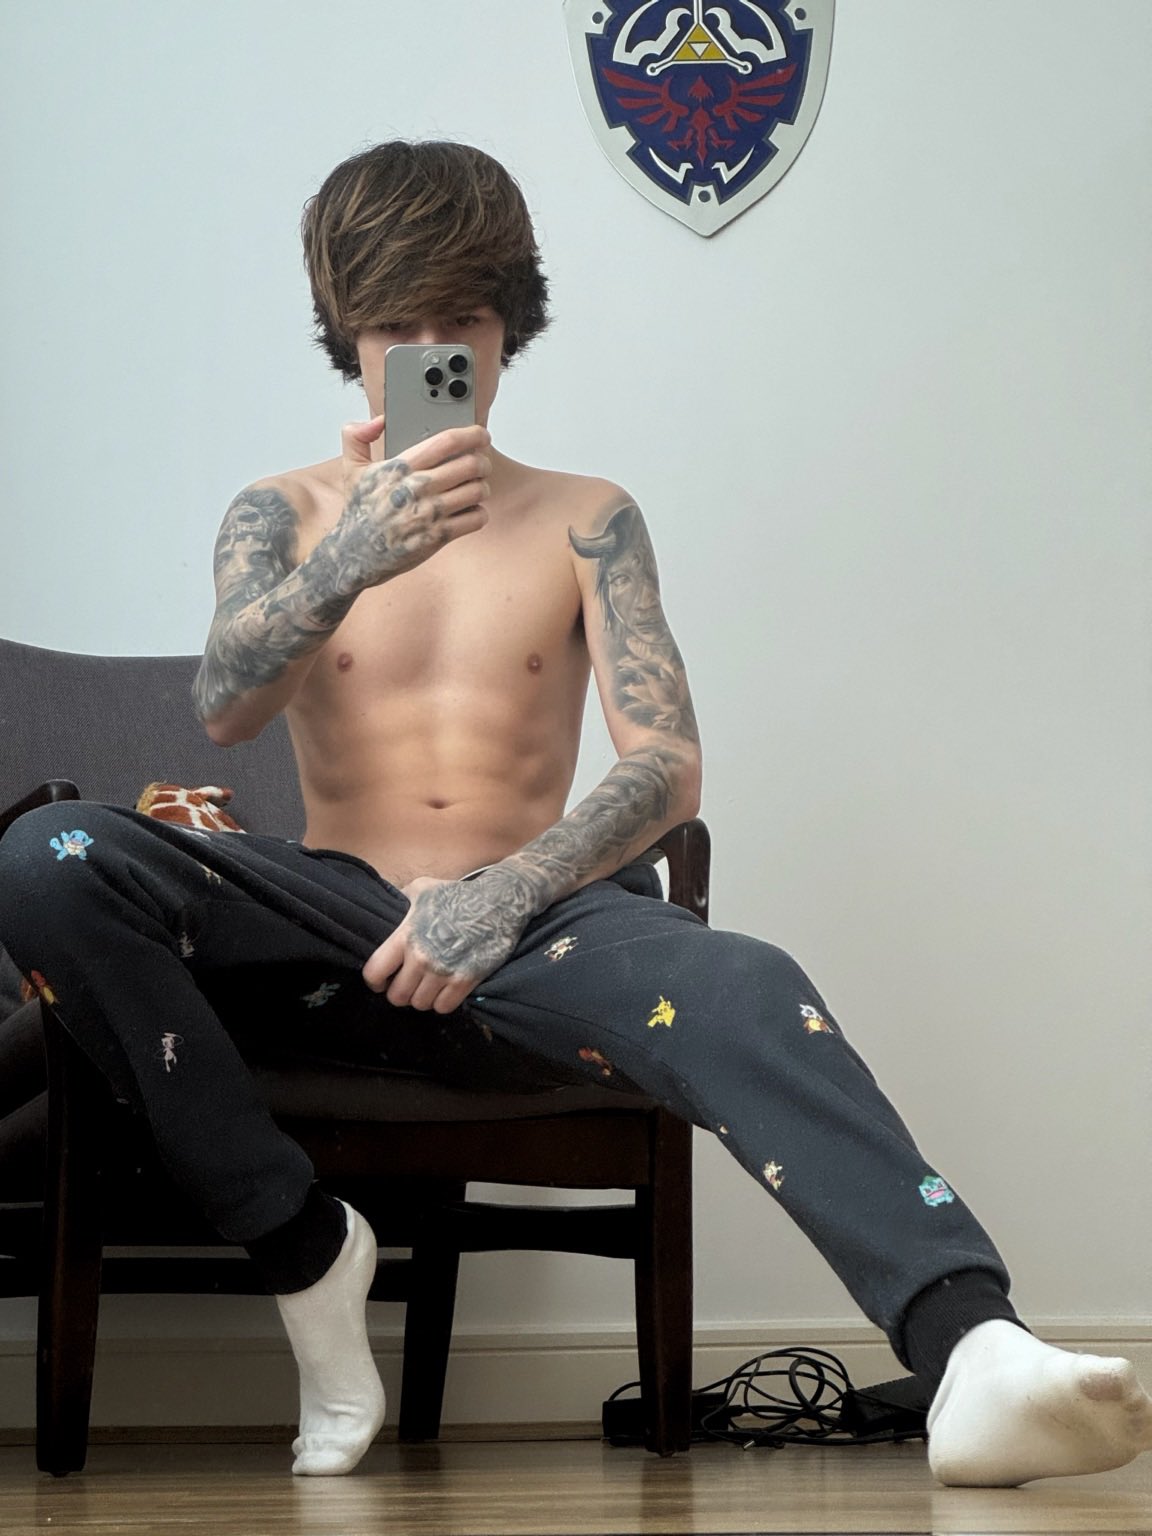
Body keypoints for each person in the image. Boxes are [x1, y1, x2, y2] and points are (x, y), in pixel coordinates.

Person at [1, 140, 1149, 1487]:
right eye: (393, 330)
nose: (429, 355)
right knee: (48, 858)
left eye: (460, 324)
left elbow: (668, 765)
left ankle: (974, 1349)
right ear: (344, 335)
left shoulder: (589, 517)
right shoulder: (284, 513)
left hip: (535, 928)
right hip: (334, 926)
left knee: (747, 976)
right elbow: (223, 710)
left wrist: (505, 892)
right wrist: (350, 560)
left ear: (511, 325)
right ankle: (304, 1250)